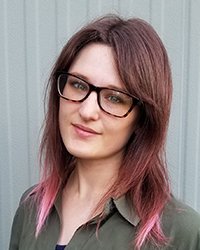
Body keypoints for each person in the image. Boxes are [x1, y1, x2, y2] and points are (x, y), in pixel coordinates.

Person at [9, 15, 200, 250]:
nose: (87, 110)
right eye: (78, 84)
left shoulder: (179, 232)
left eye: (114, 98)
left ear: (143, 118)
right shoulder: (31, 207)